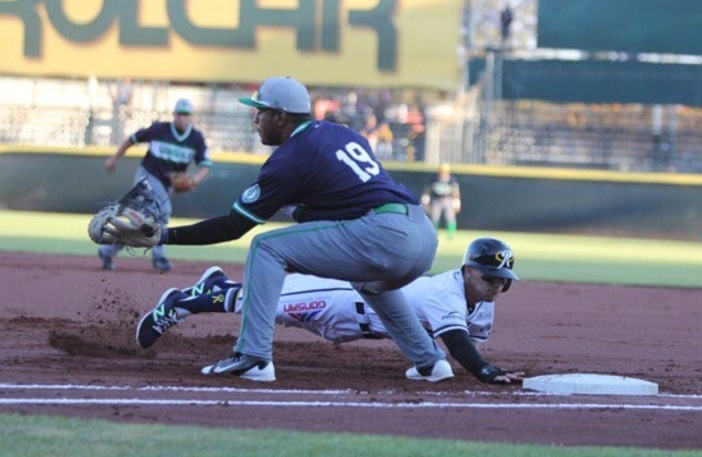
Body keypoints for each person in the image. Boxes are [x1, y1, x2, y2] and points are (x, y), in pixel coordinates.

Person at [150, 76, 447, 383]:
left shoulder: (290, 158)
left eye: (261, 112)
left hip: (385, 234)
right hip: (422, 234)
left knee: (266, 247)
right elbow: (349, 203)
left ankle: (253, 356)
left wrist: (164, 234)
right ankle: (430, 360)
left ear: (280, 117)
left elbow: (234, 226)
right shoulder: (340, 132)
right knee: (366, 280)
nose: (256, 119)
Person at [136, 238, 524, 384]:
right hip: (343, 297)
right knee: (267, 303)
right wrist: (486, 372)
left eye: (502, 280)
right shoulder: (448, 291)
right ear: (469, 271)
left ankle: (217, 286)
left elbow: (460, 343)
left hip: (359, 322)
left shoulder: (484, 305)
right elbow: (457, 343)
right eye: (490, 278)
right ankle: (190, 299)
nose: (497, 286)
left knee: (435, 368)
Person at [100, 98, 212, 272]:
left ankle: (108, 250)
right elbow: (132, 139)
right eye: (179, 114)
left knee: (143, 225)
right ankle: (159, 257)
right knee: (163, 210)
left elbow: (206, 165)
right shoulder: (160, 129)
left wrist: (195, 179)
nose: (182, 118)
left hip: (166, 185)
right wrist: (115, 158)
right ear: (174, 115)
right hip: (146, 176)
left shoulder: (196, 138)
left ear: (191, 117)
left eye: (186, 115)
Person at [420, 163, 461, 239]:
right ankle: (433, 233)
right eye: (442, 172)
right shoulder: (434, 178)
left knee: (450, 217)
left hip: (448, 199)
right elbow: (428, 190)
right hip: (437, 199)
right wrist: (425, 201)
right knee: (435, 217)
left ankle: (451, 234)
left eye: (445, 172)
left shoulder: (452, 179)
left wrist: (457, 203)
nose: (443, 174)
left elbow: (455, 192)